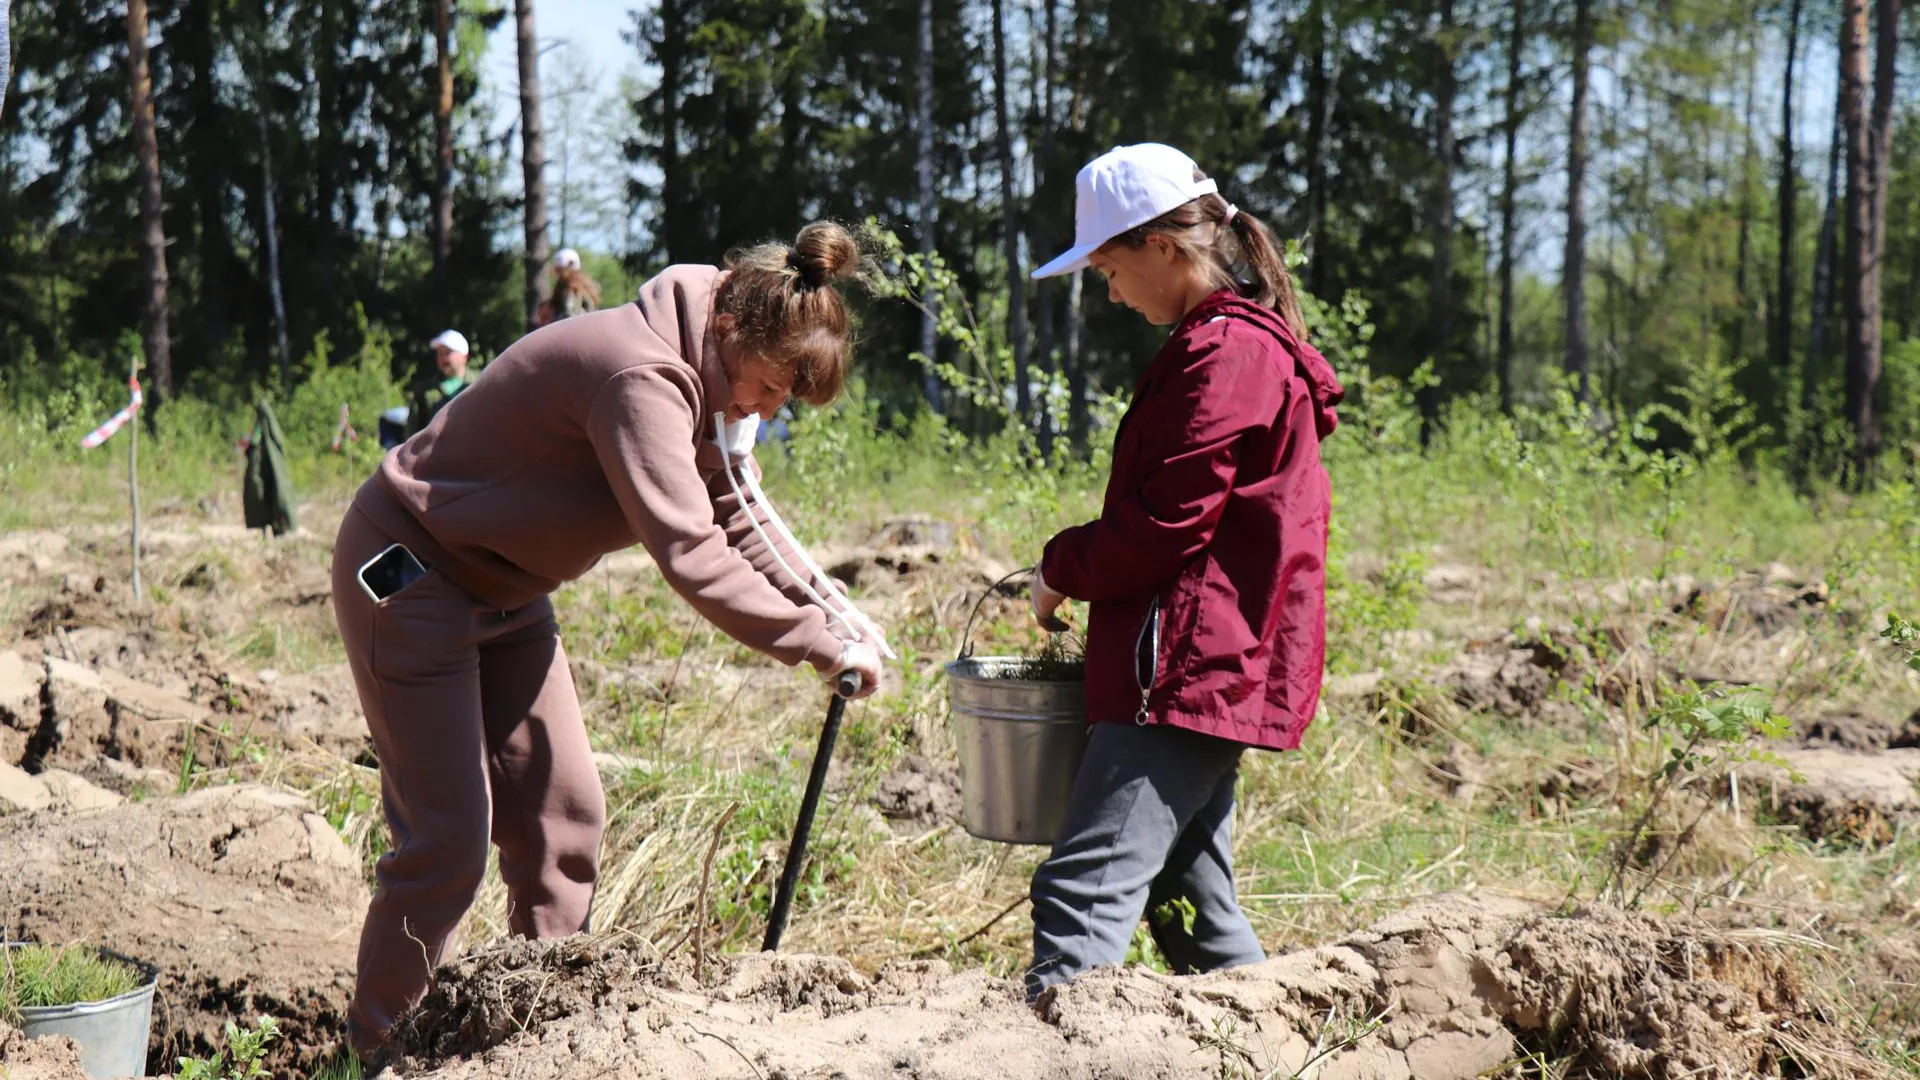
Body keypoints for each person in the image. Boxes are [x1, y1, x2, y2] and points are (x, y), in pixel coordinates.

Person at [331, 220, 888, 1068]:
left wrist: (829, 610)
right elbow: (692, 551)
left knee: (564, 817)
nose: (767, 412)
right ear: (733, 330)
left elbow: (733, 509)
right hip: (411, 569)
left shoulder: (712, 367)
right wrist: (815, 642)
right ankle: (373, 1055)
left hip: (509, 590)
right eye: (771, 389)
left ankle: (539, 1044)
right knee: (446, 841)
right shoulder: (641, 376)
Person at [1022, 143, 1344, 1001]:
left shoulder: (1224, 354)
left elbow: (1166, 524)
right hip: (1200, 667)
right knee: (1191, 910)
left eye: (1108, 269)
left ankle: (1059, 1051)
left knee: (1081, 896)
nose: (1110, 292)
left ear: (1161, 247)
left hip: (1181, 673)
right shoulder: (1220, 345)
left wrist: (1060, 565)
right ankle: (1274, 1054)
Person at [403, 329, 478, 439]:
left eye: (448, 352)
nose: (443, 357)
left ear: (464, 356)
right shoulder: (425, 390)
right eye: (439, 353)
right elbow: (413, 432)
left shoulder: (480, 384)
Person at [536, 247, 603, 327]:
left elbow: (569, 314)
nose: (557, 273)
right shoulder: (586, 287)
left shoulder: (570, 289)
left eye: (560, 269)